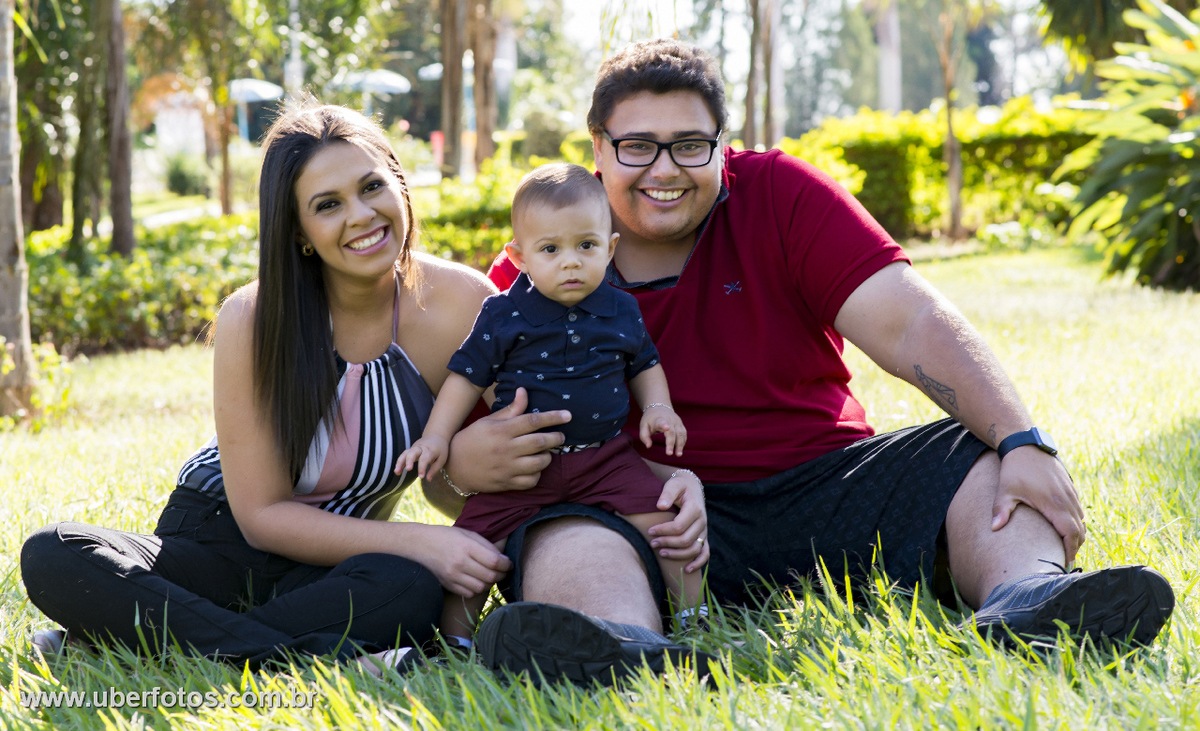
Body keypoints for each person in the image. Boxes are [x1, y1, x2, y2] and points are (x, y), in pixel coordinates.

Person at [431, 39, 1175, 683]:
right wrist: (468, 457)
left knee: (969, 450)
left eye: (691, 144)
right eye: (637, 146)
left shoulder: (782, 195)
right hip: (653, 511)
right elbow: (469, 462)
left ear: (723, 144)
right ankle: (625, 644)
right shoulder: (545, 260)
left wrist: (1022, 438)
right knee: (563, 526)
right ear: (597, 148)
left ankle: (1032, 599)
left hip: (824, 487)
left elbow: (912, 321)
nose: (665, 169)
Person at [19, 103, 513, 673]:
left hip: (333, 566)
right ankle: (293, 654)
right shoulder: (252, 317)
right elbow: (262, 515)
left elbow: (473, 475)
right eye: (327, 205)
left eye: (372, 186)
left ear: (400, 187)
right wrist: (422, 541)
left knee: (409, 589)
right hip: (218, 544)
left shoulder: (465, 304)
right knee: (55, 554)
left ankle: (152, 646)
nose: (361, 215)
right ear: (299, 231)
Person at [395, 163, 703, 642]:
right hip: (522, 467)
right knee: (474, 550)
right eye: (550, 249)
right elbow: (466, 378)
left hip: (604, 457)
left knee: (670, 526)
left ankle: (693, 618)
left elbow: (644, 365)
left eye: (587, 245)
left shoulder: (620, 308)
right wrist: (436, 437)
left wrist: (659, 408)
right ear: (519, 257)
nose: (572, 262)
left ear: (610, 247)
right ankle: (453, 640)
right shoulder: (503, 314)